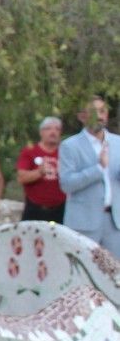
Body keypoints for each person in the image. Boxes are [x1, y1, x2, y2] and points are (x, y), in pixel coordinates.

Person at [60, 95, 120, 257]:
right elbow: (67, 184)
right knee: (85, 268)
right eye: (94, 112)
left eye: (103, 111)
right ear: (82, 117)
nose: (99, 116)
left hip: (115, 221)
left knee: (115, 270)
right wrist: (98, 169)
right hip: (84, 222)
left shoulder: (117, 143)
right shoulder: (70, 146)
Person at [16, 117, 66, 223]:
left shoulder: (66, 152)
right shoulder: (30, 151)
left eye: (57, 129)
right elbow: (21, 178)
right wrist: (39, 172)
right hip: (35, 209)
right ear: (41, 132)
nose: (53, 132)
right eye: (49, 129)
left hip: (61, 210)